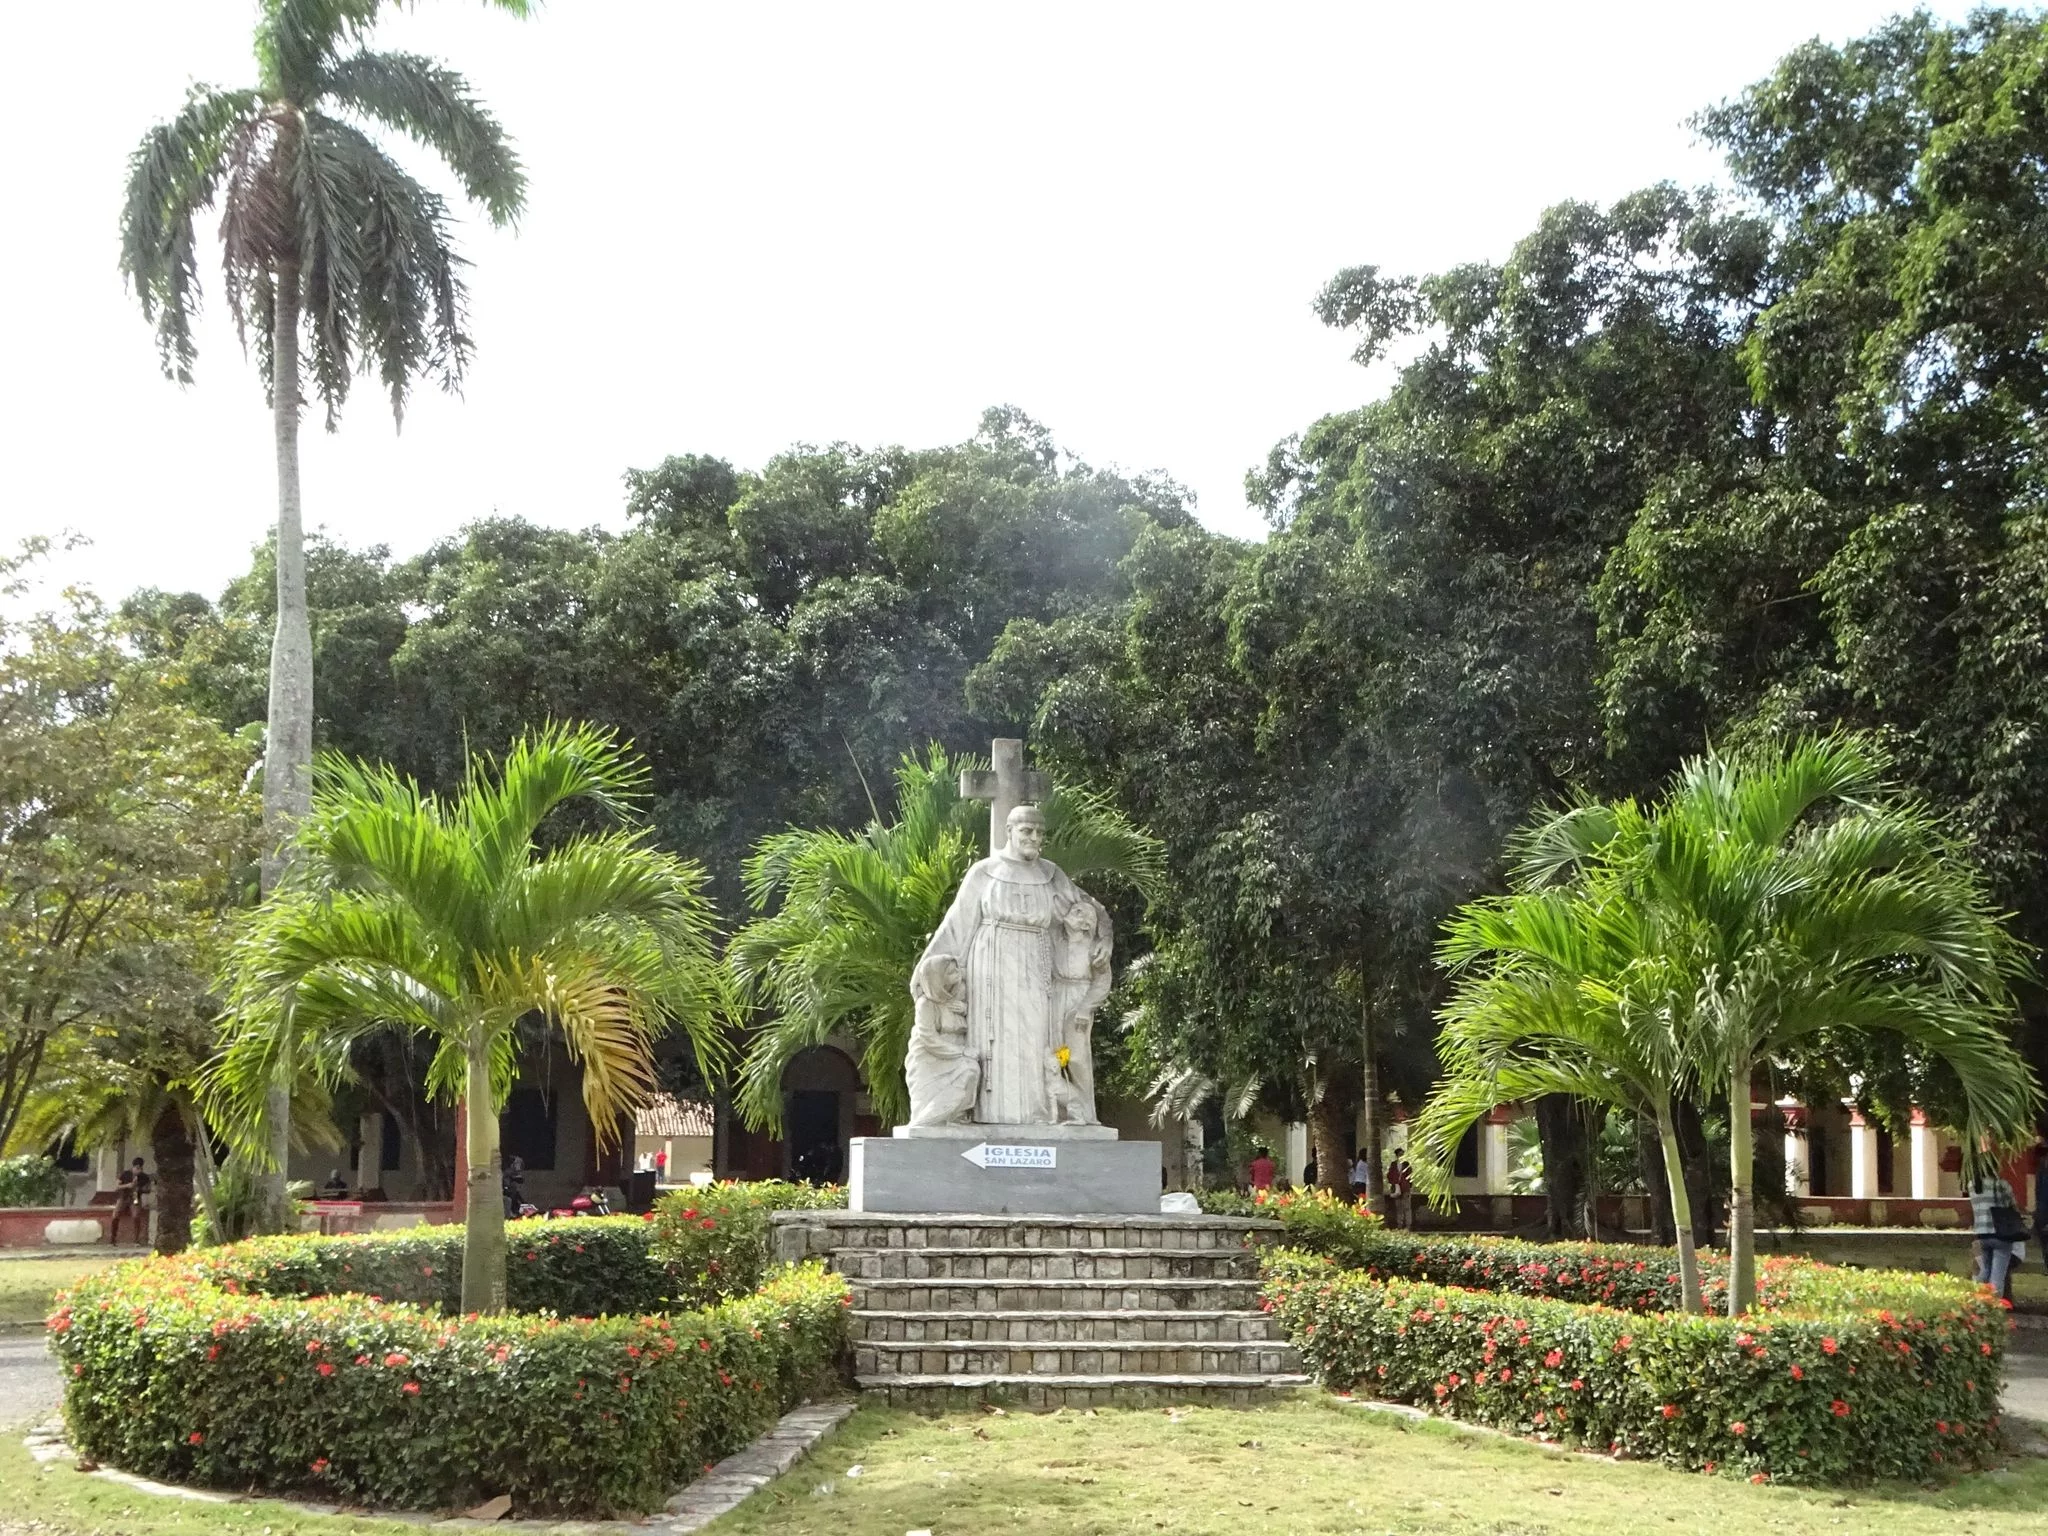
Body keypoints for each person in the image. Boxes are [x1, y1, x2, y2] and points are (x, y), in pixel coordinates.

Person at [1969, 1168, 2025, 1301]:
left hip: (1982, 1233)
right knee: (1997, 1274)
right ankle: (1994, 1305)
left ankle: (1979, 1302)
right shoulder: (2000, 1184)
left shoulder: (1972, 1185)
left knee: (1985, 1270)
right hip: (2000, 1233)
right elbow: (2012, 1204)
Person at [1387, 1152, 1415, 1230]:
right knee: (1399, 1208)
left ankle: (1407, 1225)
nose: (1401, 1156)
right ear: (1397, 1155)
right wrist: (1395, 1183)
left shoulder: (1406, 1164)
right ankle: (1400, 1225)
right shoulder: (1394, 1165)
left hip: (1405, 1188)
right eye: (1400, 1154)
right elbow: (1389, 1176)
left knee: (1406, 1207)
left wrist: (1409, 1187)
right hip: (1397, 1188)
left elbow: (1410, 1177)